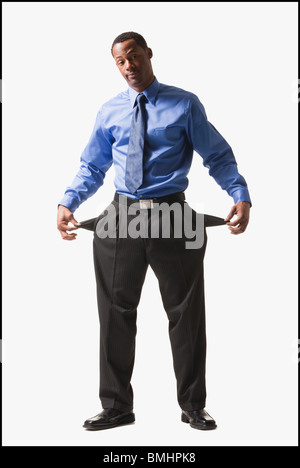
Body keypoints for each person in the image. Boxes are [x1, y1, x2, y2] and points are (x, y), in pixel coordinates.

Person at [57, 31, 251, 431]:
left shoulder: (183, 104)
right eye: (120, 61)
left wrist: (239, 193)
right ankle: (116, 407)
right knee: (114, 315)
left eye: (134, 56)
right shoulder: (110, 111)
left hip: (172, 217)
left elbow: (216, 154)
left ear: (148, 54)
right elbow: (92, 166)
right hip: (120, 216)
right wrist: (68, 202)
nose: (129, 66)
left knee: (186, 316)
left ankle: (193, 406)